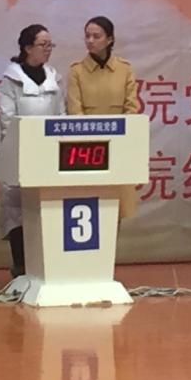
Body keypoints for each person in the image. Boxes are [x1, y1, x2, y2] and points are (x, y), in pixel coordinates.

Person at [0, 23, 64, 280]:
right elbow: (7, 119)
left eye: (50, 45)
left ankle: (47, 265)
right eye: (42, 45)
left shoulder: (54, 78)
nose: (48, 49)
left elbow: (61, 115)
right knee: (18, 210)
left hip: (50, 155)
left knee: (48, 208)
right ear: (27, 47)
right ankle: (21, 267)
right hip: (20, 153)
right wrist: (26, 145)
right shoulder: (11, 80)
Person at [66, 14, 144, 223]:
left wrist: (118, 138)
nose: (90, 41)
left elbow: (131, 108)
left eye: (96, 36)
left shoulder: (124, 69)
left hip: (118, 148)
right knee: (88, 205)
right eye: (87, 36)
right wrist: (91, 140)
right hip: (85, 150)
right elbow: (75, 111)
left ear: (110, 39)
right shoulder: (76, 71)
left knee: (116, 207)